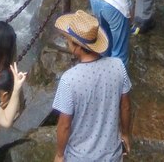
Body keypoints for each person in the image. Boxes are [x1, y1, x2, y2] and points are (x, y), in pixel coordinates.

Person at [52, 9, 131, 162]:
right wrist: (126, 134)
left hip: (79, 157)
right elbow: (126, 106)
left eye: (68, 40)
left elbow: (64, 125)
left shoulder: (69, 80)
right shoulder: (118, 66)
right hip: (111, 155)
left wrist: (60, 154)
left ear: (77, 47)